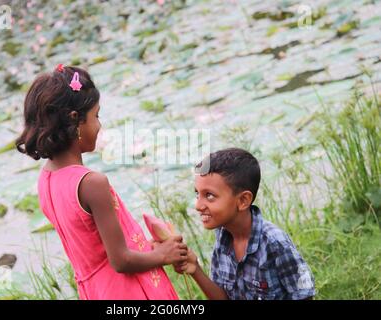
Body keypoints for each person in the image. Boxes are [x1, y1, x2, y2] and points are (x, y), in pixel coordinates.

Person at [16, 65, 187, 299]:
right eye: (96, 116)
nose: (99, 125)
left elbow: (96, 249)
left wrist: (148, 248)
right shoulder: (91, 183)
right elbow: (120, 260)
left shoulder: (46, 180)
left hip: (95, 291)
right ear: (75, 120)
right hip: (127, 291)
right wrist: (163, 255)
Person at [172, 148, 315, 300]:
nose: (198, 205)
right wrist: (196, 269)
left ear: (243, 200)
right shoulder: (222, 239)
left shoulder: (274, 242)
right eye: (197, 194)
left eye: (209, 195)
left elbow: (304, 295)